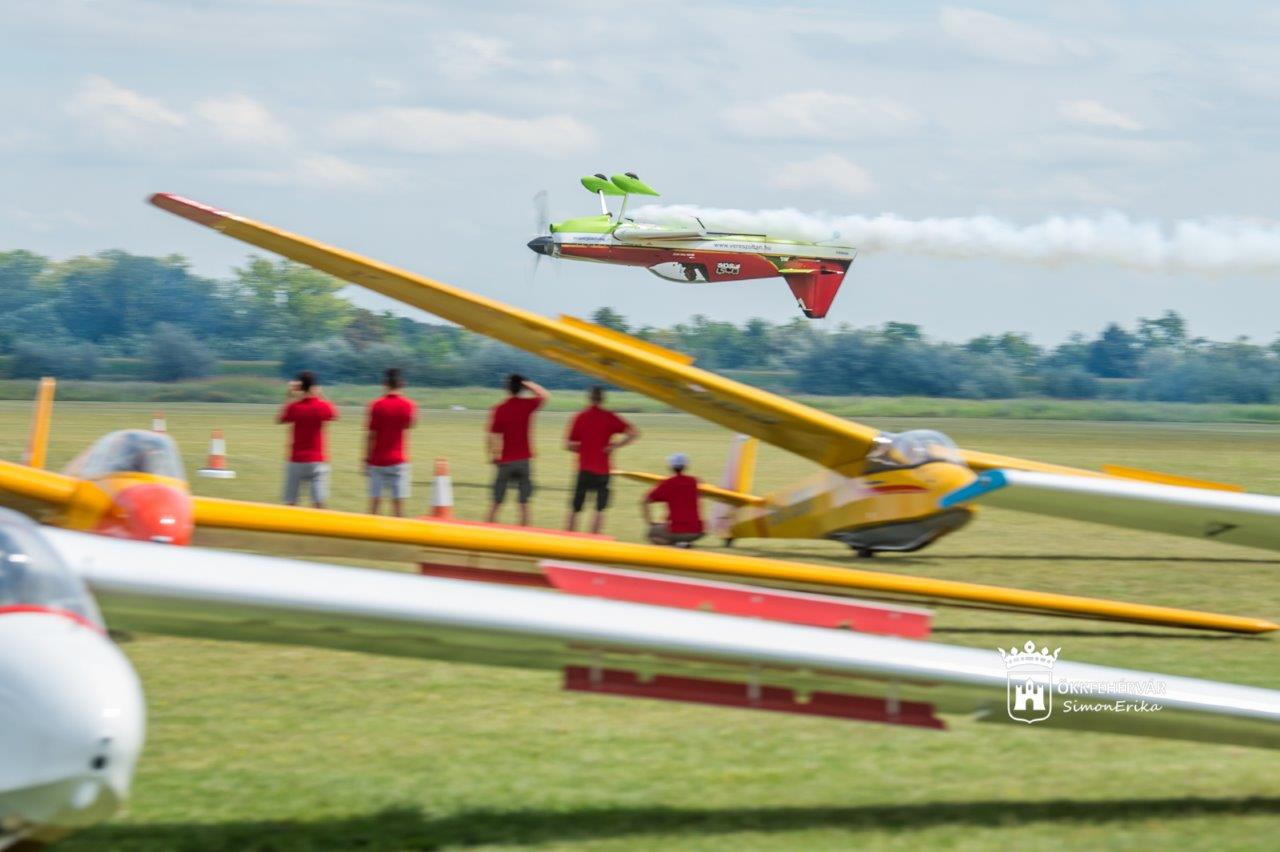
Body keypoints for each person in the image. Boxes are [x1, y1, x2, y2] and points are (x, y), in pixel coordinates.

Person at [565, 386, 638, 533]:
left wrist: (581, 447)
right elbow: (633, 433)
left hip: (584, 468)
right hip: (603, 470)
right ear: (603, 399)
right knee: (599, 509)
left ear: (589, 398)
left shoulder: (580, 416)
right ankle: (594, 542)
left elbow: (569, 445)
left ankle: (568, 540)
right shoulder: (609, 416)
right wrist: (615, 446)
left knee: (575, 508)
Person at [486, 373, 549, 525]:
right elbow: (544, 395)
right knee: (524, 504)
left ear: (507, 389)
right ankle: (525, 534)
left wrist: (494, 455)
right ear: (522, 388)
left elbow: (493, 436)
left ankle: (487, 533)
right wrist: (528, 383)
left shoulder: (499, 409)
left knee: (496, 502)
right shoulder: (528, 405)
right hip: (524, 460)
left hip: (506, 460)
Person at [277, 371, 338, 508]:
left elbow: (280, 418)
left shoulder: (294, 407)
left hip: (296, 459)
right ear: (314, 386)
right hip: (317, 460)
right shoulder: (322, 406)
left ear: (299, 387)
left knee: (291, 502)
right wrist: (320, 394)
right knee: (319, 504)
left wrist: (289, 395)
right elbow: (334, 414)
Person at [365, 367, 417, 517]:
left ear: (384, 383)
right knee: (398, 507)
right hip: (398, 459)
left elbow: (371, 435)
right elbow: (409, 424)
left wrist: (366, 459)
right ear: (402, 384)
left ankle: (369, 534)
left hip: (378, 460)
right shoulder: (409, 405)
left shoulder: (375, 405)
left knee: (374, 504)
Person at [642, 452, 705, 547]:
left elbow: (645, 500)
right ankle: (683, 543)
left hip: (677, 529)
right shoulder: (694, 481)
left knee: (652, 533)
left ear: (670, 467)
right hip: (698, 531)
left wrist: (650, 522)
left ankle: (676, 544)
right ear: (686, 466)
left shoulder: (668, 483)